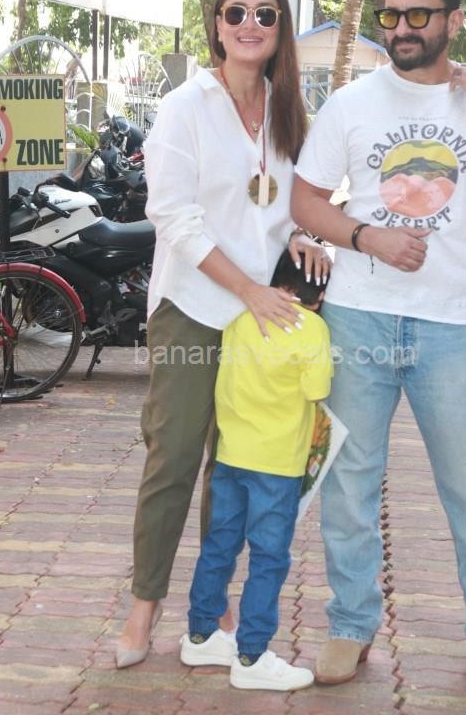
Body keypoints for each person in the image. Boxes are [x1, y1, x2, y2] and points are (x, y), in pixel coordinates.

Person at [291, 0, 466, 707]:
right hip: (359, 316)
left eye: (418, 16)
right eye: (391, 16)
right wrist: (366, 236)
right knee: (347, 482)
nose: (402, 29)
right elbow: (305, 201)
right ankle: (351, 625)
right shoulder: (351, 103)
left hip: (453, 325)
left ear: (453, 20)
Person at [116, 0, 329, 669]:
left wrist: (300, 236)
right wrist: (248, 288)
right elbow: (172, 216)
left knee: (235, 465)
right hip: (195, 307)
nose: (250, 25)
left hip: (259, 318)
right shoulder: (185, 105)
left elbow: (284, 203)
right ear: (216, 24)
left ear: (280, 29)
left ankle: (211, 611)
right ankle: (144, 606)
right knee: (174, 457)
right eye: (237, 12)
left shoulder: (288, 106)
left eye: (265, 14)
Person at [179, 248, 332, 691]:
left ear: (275, 281)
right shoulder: (313, 328)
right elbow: (317, 389)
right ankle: (251, 655)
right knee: (268, 558)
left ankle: (201, 635)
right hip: (278, 465)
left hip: (231, 456)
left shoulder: (240, 318)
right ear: (321, 297)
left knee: (219, 545)